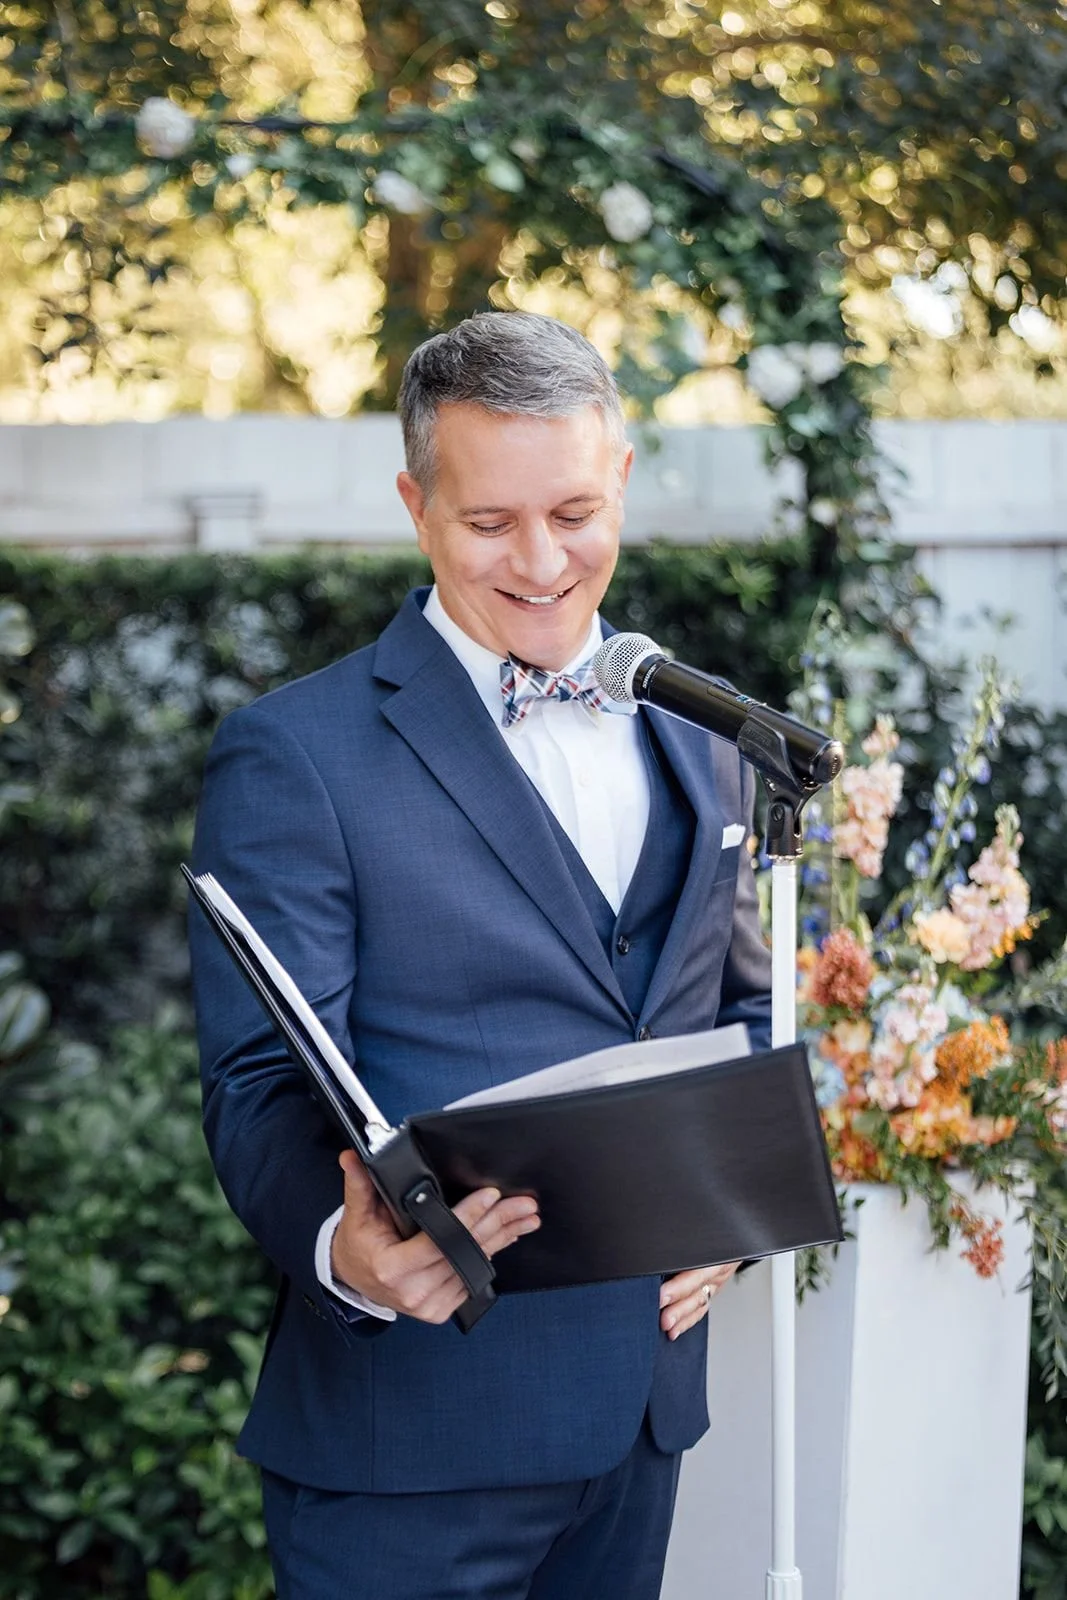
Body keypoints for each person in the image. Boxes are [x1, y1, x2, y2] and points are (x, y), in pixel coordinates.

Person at [188, 310, 772, 1600]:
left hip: (642, 1418)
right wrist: (346, 1251)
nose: (543, 561)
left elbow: (743, 1011)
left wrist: (736, 1207)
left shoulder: (708, 735)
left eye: (574, 512)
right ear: (417, 506)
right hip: (413, 1428)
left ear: (622, 478)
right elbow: (257, 1080)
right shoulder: (298, 754)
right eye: (491, 522)